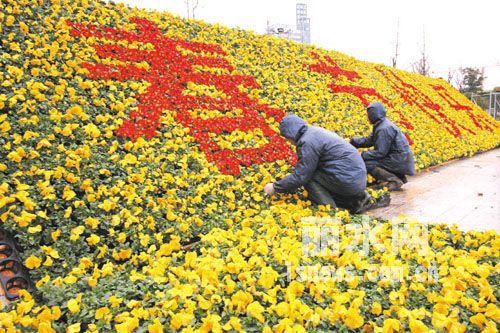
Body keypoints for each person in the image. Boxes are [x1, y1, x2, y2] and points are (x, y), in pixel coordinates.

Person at [263, 114, 372, 213]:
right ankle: (357, 198)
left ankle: (330, 210)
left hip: (349, 180)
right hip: (357, 177)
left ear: (291, 133)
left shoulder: (307, 142)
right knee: (312, 173)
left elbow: (301, 176)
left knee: (309, 178)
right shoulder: (313, 131)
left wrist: (275, 187)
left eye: (286, 138)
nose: (288, 141)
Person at [350, 102, 416, 191]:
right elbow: (369, 140)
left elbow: (380, 152)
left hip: (398, 160)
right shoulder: (382, 124)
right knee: (372, 160)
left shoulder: (383, 129)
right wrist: (352, 141)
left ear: (373, 115)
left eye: (368, 114)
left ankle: (395, 181)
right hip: (400, 159)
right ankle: (399, 177)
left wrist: (361, 155)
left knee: (368, 164)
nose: (367, 117)